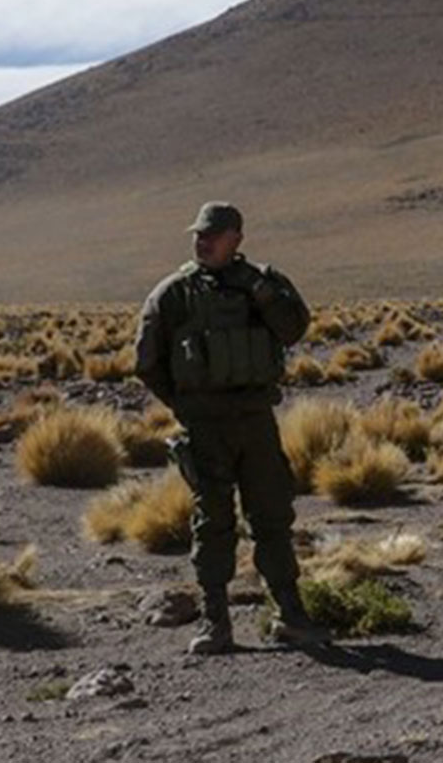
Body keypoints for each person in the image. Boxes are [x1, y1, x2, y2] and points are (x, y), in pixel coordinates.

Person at [134, 201, 329, 655]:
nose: (202, 241)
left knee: (272, 518)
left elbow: (293, 329)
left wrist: (260, 291)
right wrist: (185, 405)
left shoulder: (262, 285)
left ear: (236, 238)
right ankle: (215, 623)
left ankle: (291, 616)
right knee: (213, 523)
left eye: (212, 234)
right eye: (198, 234)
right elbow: (147, 362)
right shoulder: (174, 294)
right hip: (206, 428)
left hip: (256, 422)